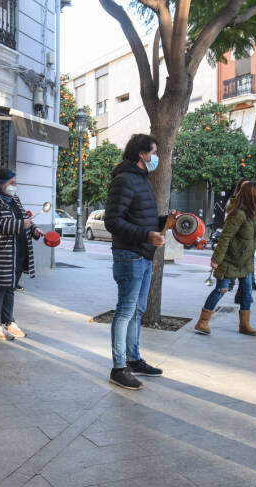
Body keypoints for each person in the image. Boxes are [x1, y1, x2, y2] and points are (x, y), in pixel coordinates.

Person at [104, 134, 167, 391]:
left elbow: (140, 217)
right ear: (142, 154)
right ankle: (119, 368)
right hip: (129, 254)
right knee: (125, 311)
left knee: (137, 311)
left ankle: (133, 359)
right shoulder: (125, 180)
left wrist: (163, 222)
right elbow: (112, 221)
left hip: (143, 254)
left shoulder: (141, 180)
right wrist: (146, 235)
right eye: (153, 152)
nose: (156, 158)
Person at [194, 182, 256, 336]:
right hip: (230, 261)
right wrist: (216, 259)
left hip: (246, 262)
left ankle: (244, 325)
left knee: (247, 293)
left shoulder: (254, 213)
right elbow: (225, 237)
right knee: (220, 290)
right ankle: (202, 322)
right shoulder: (238, 214)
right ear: (249, 194)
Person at [0, 168, 42, 340]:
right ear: (0, 184)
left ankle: (9, 322)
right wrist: (21, 225)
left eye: (15, 183)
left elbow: (25, 218)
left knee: (10, 288)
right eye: (12, 183)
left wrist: (34, 229)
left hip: (16, 252)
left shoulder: (14, 200)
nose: (14, 186)